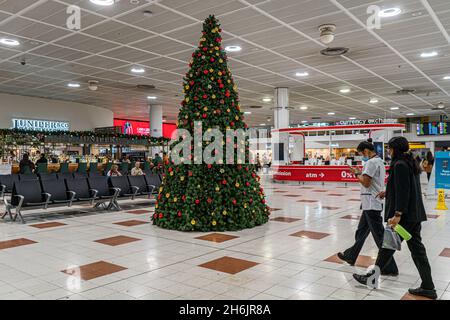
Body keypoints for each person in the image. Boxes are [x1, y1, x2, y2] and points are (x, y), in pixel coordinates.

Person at [353, 136, 437, 300]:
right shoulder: (409, 162)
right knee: (407, 249)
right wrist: (388, 192)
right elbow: (405, 187)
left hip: (404, 218)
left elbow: (404, 192)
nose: (389, 152)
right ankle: (428, 287)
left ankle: (373, 278)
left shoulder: (399, 165)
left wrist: (397, 214)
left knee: (390, 246)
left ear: (396, 149)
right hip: (413, 216)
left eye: (390, 149)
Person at [338, 139, 398, 276]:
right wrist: (360, 172)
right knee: (361, 232)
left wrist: (357, 173)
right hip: (369, 203)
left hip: (371, 203)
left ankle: (390, 267)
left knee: (379, 236)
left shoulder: (371, 163)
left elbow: (366, 183)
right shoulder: (379, 161)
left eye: (361, 153)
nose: (362, 156)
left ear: (366, 150)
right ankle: (351, 255)